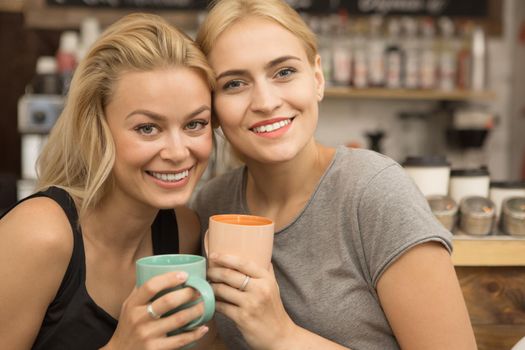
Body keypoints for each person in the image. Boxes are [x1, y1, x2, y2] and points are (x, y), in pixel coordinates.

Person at [192, 0, 478, 349]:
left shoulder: (375, 192)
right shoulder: (213, 204)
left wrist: (282, 335)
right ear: (213, 108)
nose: (265, 102)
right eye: (235, 84)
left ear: (317, 79)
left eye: (283, 72)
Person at [0, 13, 216, 349]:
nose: (177, 152)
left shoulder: (183, 231)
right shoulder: (39, 236)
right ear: (96, 131)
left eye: (195, 124)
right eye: (148, 128)